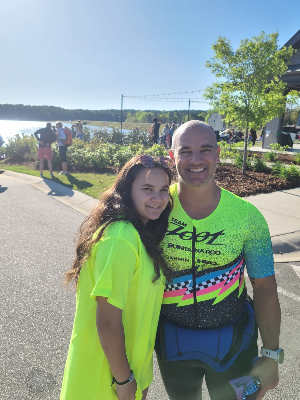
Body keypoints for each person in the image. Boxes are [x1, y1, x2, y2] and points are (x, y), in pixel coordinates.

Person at [156, 121, 282, 400]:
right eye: (185, 151)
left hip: (235, 344)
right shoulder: (155, 208)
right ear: (171, 156)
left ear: (218, 152)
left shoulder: (247, 216)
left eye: (205, 150)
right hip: (171, 344)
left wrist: (271, 354)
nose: (196, 159)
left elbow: (265, 287)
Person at [60, 155, 173, 400]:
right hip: (104, 377)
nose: (158, 198)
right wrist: (125, 380)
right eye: (147, 189)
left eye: (164, 189)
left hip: (128, 369)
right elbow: (108, 322)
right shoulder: (120, 239)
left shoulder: (140, 232)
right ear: (127, 191)